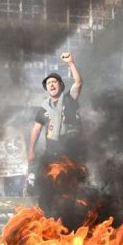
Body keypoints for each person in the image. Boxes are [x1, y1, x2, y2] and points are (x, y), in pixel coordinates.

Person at [27, 52, 83, 212]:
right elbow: (36, 129)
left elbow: (78, 83)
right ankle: (49, 217)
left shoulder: (69, 99)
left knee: (70, 186)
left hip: (71, 150)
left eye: (54, 82)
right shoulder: (43, 108)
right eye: (49, 83)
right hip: (52, 151)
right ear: (46, 88)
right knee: (47, 185)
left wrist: (71, 63)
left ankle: (69, 215)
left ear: (61, 85)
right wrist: (31, 149)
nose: (51, 85)